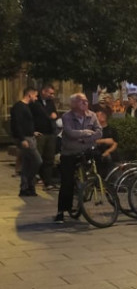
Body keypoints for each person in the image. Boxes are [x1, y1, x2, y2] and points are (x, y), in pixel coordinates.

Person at [55, 94, 102, 223]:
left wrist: (82, 139)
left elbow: (99, 132)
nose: (85, 103)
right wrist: (86, 133)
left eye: (86, 101)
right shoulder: (67, 116)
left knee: (99, 162)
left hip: (86, 150)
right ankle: (61, 211)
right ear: (74, 103)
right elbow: (70, 132)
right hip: (70, 152)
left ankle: (91, 188)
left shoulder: (92, 115)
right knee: (67, 182)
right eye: (82, 101)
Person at [11, 87, 41, 197]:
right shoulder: (19, 107)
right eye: (35, 96)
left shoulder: (27, 107)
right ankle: (28, 183)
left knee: (27, 164)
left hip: (30, 136)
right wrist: (22, 139)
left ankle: (26, 188)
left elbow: (26, 123)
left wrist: (33, 132)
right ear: (29, 95)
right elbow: (17, 124)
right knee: (37, 161)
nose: (36, 98)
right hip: (25, 139)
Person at [31, 84, 59, 190]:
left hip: (50, 133)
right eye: (50, 93)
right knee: (37, 158)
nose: (52, 95)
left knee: (49, 158)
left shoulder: (50, 102)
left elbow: (54, 112)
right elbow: (30, 117)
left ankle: (48, 182)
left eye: (53, 93)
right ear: (43, 91)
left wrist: (55, 115)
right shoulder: (35, 101)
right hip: (40, 133)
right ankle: (32, 179)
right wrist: (32, 131)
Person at [94, 107, 119, 176]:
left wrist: (108, 151)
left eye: (103, 115)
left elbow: (115, 143)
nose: (102, 116)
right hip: (98, 153)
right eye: (99, 115)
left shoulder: (112, 129)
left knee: (109, 158)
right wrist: (104, 140)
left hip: (110, 153)